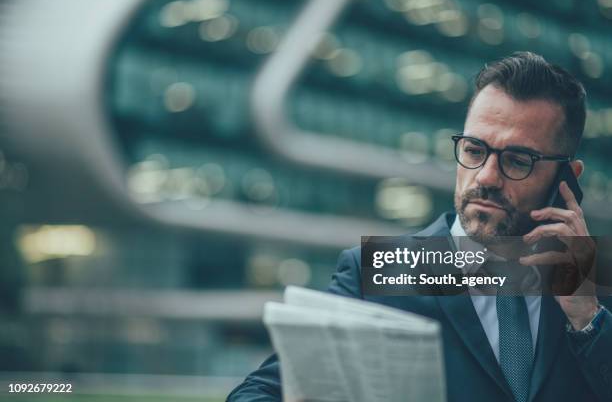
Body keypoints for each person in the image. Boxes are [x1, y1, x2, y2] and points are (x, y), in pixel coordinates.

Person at [227, 52, 612, 402]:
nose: (487, 177)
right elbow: (256, 394)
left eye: (517, 160)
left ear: (567, 175)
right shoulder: (393, 267)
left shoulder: (593, 279)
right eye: (475, 151)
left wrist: (587, 318)